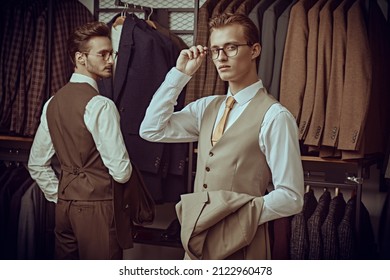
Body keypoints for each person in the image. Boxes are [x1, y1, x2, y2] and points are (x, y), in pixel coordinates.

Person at [140, 13, 304, 259]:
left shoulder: (275, 116)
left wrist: (239, 216)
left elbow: (292, 197)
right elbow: (151, 129)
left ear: (255, 49)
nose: (221, 58)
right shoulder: (206, 107)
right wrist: (179, 74)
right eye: (216, 50)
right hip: (196, 243)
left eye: (231, 47)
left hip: (242, 244)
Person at [28, 21, 133, 260]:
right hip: (97, 207)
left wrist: (61, 195)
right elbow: (121, 171)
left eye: (111, 53)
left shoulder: (52, 102)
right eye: (102, 54)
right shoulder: (101, 105)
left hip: (64, 207)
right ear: (80, 58)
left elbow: (36, 163)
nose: (110, 60)